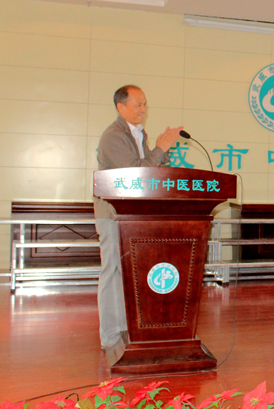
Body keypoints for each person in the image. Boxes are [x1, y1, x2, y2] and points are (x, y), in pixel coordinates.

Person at [94, 85, 183, 349]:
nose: (143, 109)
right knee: (113, 272)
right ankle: (111, 335)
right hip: (114, 214)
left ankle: (129, 328)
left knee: (131, 273)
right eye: (138, 104)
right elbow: (134, 174)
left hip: (134, 216)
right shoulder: (113, 136)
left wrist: (162, 151)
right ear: (121, 107)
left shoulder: (138, 133)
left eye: (145, 104)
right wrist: (159, 149)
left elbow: (151, 173)